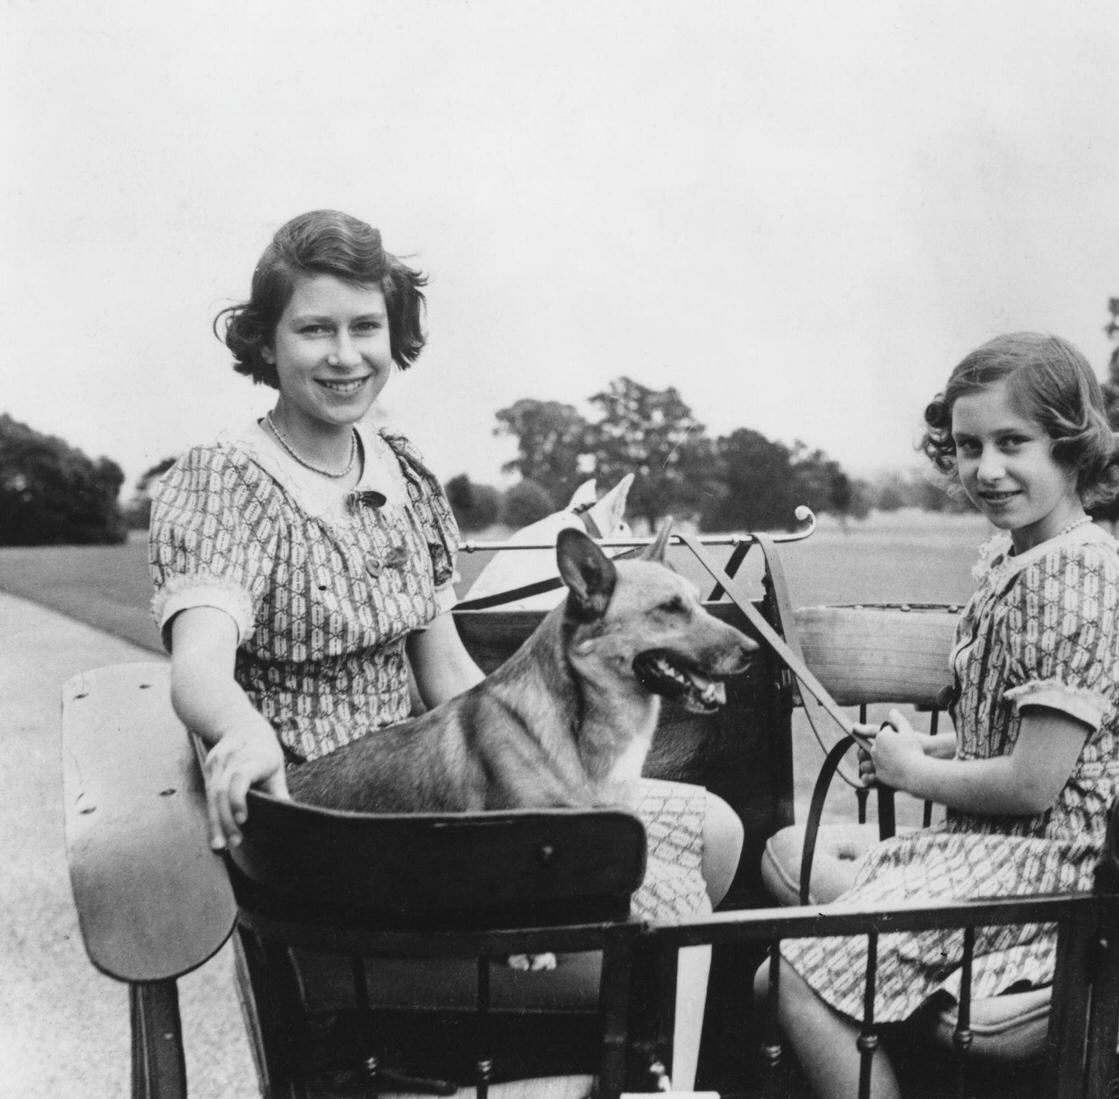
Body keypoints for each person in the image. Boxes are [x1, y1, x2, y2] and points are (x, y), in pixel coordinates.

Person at [149, 209, 741, 920]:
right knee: (668, 904)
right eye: (315, 329)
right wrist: (243, 732)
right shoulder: (224, 480)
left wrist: (551, 762)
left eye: (365, 326)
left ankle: (599, 1024)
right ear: (268, 343)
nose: (345, 355)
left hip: (430, 784)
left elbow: (449, 673)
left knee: (716, 834)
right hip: (329, 825)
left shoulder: (401, 470)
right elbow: (200, 666)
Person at [763, 332, 1119, 1097]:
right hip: (1002, 847)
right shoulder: (1021, 556)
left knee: (789, 980)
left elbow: (1033, 785)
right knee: (789, 863)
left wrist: (916, 774)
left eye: (1014, 442)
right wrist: (938, 749)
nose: (987, 468)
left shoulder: (1074, 579)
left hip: (1065, 870)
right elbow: (1014, 736)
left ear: (1072, 447)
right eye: (969, 444)